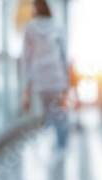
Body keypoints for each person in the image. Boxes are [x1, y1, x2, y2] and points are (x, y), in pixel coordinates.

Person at [21, 0, 69, 155]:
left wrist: (26, 88)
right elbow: (63, 57)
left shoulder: (29, 28)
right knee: (59, 113)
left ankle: (53, 142)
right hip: (56, 77)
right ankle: (61, 145)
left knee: (46, 112)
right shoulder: (58, 26)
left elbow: (26, 60)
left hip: (39, 79)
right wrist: (67, 83)